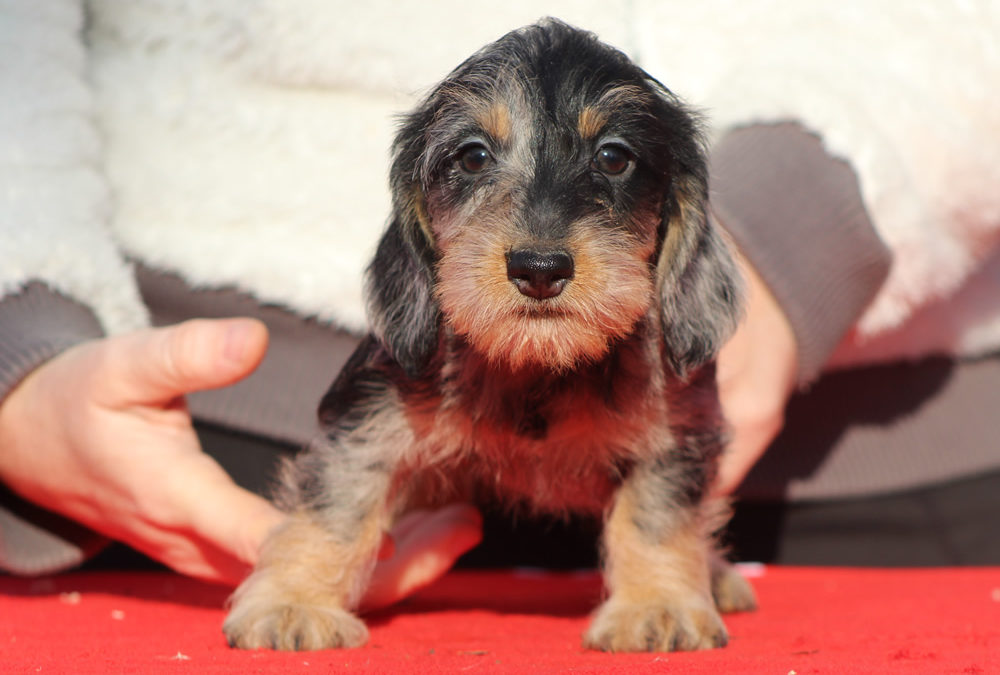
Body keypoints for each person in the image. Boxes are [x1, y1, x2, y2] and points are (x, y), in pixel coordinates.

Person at [2, 0, 999, 599]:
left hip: (875, 472)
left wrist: (800, 223)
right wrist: (19, 322)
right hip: (191, 434)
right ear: (418, 212)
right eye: (474, 159)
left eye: (612, 158)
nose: (536, 244)